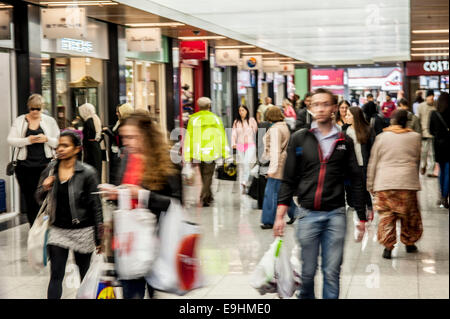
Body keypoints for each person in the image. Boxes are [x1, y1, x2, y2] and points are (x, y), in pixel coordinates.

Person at [273, 88, 367, 299]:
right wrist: (280, 215)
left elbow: (356, 180)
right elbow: (288, 178)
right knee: (306, 275)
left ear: (335, 108)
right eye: (316, 104)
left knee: (332, 273)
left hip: (336, 215)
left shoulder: (344, 141)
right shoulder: (300, 138)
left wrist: (361, 216)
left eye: (326, 104)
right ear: (310, 108)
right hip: (307, 214)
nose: (321, 108)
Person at [100, 111, 181, 299]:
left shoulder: (166, 161)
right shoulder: (127, 158)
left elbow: (174, 202)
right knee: (130, 292)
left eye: (132, 137)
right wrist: (115, 193)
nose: (126, 142)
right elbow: (125, 191)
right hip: (128, 240)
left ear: (147, 135)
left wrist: (142, 194)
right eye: (124, 137)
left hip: (155, 240)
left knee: (150, 290)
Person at [35, 130, 104, 299]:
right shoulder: (51, 169)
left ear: (77, 149)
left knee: (85, 276)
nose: (60, 149)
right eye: (59, 145)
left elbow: (96, 206)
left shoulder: (88, 173)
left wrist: (99, 237)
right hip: (58, 229)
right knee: (56, 275)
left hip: (83, 230)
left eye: (65, 145)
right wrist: (44, 187)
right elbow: (38, 198)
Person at [367, 109, 423, 259]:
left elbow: (373, 162)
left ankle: (388, 247)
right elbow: (417, 160)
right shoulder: (415, 137)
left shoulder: (381, 137)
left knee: (386, 216)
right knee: (409, 215)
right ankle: (409, 243)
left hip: (385, 183)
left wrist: (370, 183)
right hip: (407, 183)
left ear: (392, 121)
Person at [7, 94, 60, 225]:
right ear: (28, 108)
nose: (35, 112)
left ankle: (46, 226)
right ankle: (33, 227)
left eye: (38, 108)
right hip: (24, 167)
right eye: (32, 109)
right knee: (30, 199)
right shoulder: (20, 121)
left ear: (42, 108)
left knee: (46, 198)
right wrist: (28, 140)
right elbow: (11, 140)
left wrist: (47, 139)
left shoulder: (49, 121)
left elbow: (58, 141)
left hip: (45, 166)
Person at [184, 97, 231, 207]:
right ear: (209, 106)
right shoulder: (216, 119)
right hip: (212, 151)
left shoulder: (193, 119)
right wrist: (226, 154)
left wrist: (188, 155)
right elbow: (221, 137)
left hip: (197, 152)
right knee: (208, 175)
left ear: (198, 106)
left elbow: (189, 138)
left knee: (204, 175)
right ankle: (204, 196)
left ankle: (209, 196)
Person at [260, 106, 295, 229]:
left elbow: (274, 150)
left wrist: (271, 170)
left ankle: (268, 220)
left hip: (277, 163)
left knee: (271, 193)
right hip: (284, 160)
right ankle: (295, 212)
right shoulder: (284, 126)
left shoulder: (274, 130)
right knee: (282, 191)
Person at [343, 106, 376, 221]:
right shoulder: (345, 130)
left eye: (348, 115)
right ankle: (363, 211)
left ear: (355, 117)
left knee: (364, 189)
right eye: (346, 114)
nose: (346, 117)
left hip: (363, 165)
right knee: (355, 190)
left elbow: (373, 149)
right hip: (350, 166)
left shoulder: (367, 129)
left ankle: (368, 208)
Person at [103, 103, 134, 184]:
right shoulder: (120, 122)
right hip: (117, 152)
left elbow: (117, 139)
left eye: (119, 112)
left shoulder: (126, 124)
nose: (117, 113)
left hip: (121, 153)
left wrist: (108, 132)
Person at [429, 92, 450, 209]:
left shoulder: (434, 113)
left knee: (441, 171)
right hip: (449, 145)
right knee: (448, 171)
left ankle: (442, 195)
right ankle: (445, 196)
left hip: (438, 145)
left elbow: (431, 130)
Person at [231, 105, 258, 193]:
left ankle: (244, 181)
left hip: (250, 144)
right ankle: (248, 181)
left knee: (246, 162)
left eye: (243, 110)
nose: (241, 112)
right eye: (240, 110)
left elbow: (255, 131)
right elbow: (233, 134)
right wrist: (233, 143)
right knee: (243, 164)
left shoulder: (252, 120)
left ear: (247, 111)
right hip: (240, 145)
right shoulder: (236, 122)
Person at [78, 103, 103, 181]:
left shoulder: (88, 121)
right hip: (96, 147)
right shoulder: (95, 118)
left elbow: (87, 136)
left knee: (91, 169)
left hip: (90, 149)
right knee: (97, 168)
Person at [417, 90, 438, 177]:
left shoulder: (436, 106)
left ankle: (430, 170)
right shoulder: (421, 106)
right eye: (430, 96)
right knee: (424, 152)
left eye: (432, 97)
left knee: (433, 153)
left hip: (434, 133)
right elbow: (418, 119)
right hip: (424, 132)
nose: (431, 98)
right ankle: (423, 166)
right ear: (426, 97)